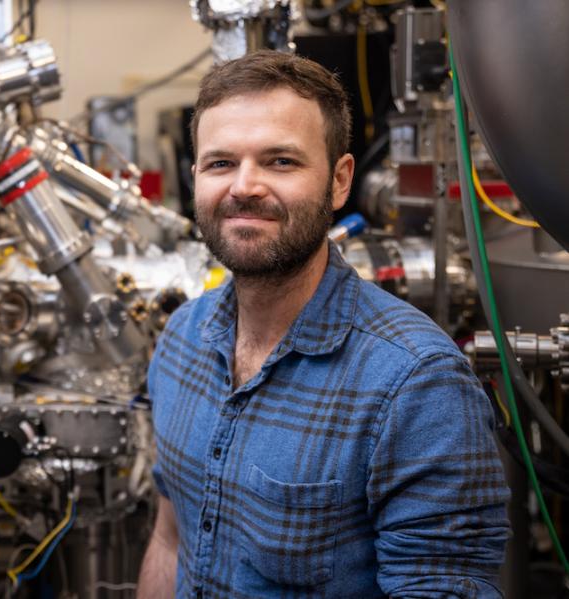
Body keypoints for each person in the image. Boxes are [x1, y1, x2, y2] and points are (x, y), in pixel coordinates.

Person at [137, 49, 510, 598]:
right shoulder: (181, 341)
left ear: (339, 181)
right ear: (195, 176)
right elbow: (171, 540)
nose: (245, 186)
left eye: (280, 162)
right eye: (220, 163)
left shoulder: (417, 383)